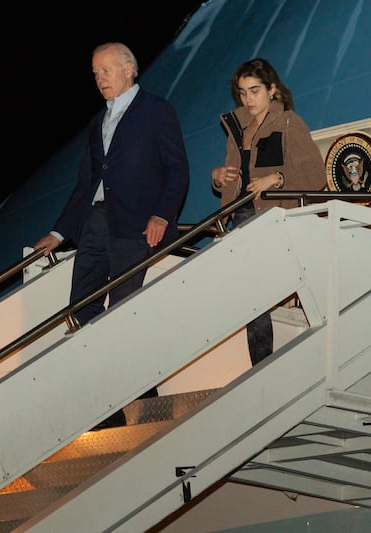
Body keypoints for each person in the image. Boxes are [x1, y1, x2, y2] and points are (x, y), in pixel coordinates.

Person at [34, 42, 189, 429]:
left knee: (124, 310)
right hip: (95, 224)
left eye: (105, 70)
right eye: (95, 73)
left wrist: (161, 214)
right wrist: (58, 231)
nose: (99, 78)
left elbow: (177, 170)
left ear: (129, 70)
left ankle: (122, 405)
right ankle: (128, 395)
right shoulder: (96, 123)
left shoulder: (157, 111)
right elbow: (85, 183)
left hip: (135, 225)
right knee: (81, 307)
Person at [210, 58, 325, 366]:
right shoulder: (237, 127)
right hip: (241, 219)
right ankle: (262, 365)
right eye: (243, 92)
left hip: (273, 221)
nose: (248, 99)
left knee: (256, 295)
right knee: (252, 298)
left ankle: (264, 366)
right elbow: (235, 178)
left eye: (255, 90)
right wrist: (219, 176)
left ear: (272, 89)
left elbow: (316, 177)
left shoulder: (289, 123)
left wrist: (278, 178)